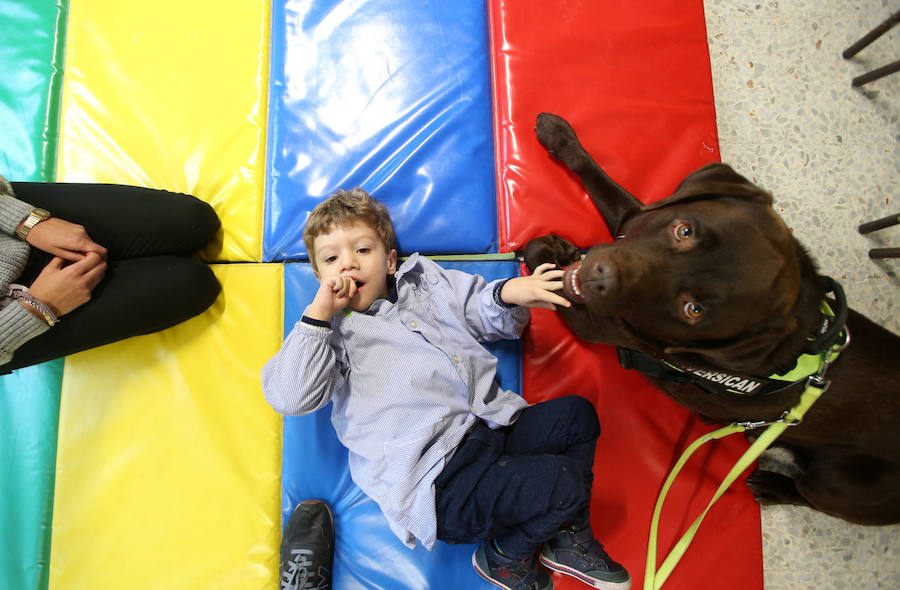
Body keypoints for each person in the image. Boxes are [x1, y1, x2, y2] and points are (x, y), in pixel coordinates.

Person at [262, 188, 631, 590]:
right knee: (563, 483)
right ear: (320, 277)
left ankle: (566, 537)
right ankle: (506, 557)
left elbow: (489, 316)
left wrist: (509, 293)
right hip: (440, 483)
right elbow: (290, 396)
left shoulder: (426, 283)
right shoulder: (332, 337)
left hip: (492, 428)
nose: (348, 264)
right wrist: (318, 313)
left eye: (362, 250)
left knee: (577, 416)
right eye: (332, 259)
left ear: (388, 261)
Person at [0, 173, 221, 373]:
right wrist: (35, 310)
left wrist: (26, 221)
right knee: (191, 286)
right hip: (11, 323)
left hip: (8, 229)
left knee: (192, 220)